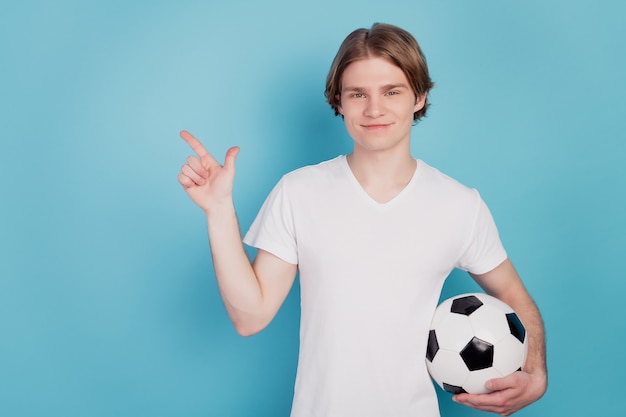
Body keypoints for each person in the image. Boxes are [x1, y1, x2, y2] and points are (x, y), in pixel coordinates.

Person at [177, 23, 547, 417]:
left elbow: (513, 294)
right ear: (338, 101)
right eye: (358, 94)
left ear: (419, 97)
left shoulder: (460, 204)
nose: (374, 109)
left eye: (392, 91)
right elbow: (250, 317)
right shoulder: (299, 192)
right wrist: (218, 211)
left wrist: (536, 372)